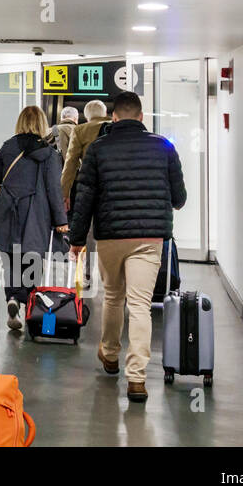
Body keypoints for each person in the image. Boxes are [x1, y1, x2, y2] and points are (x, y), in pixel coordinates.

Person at [69, 91, 186, 402]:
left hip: (110, 237)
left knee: (113, 297)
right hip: (150, 239)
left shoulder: (97, 149)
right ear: (142, 117)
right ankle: (137, 378)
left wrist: (77, 240)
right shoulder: (164, 148)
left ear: (114, 117)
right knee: (139, 305)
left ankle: (109, 355)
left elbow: (84, 199)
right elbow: (180, 198)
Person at [0, 106, 68, 331]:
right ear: (42, 124)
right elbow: (55, 190)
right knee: (32, 262)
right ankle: (27, 306)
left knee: (11, 262)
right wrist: (61, 221)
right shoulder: (49, 154)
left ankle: (13, 299)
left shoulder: (8, 147)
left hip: (8, 211)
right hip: (37, 214)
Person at [60, 99, 109, 208]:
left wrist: (65, 193)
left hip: (90, 183)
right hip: (113, 182)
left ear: (86, 116)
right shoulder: (115, 127)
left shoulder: (80, 130)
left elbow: (70, 164)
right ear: (105, 114)